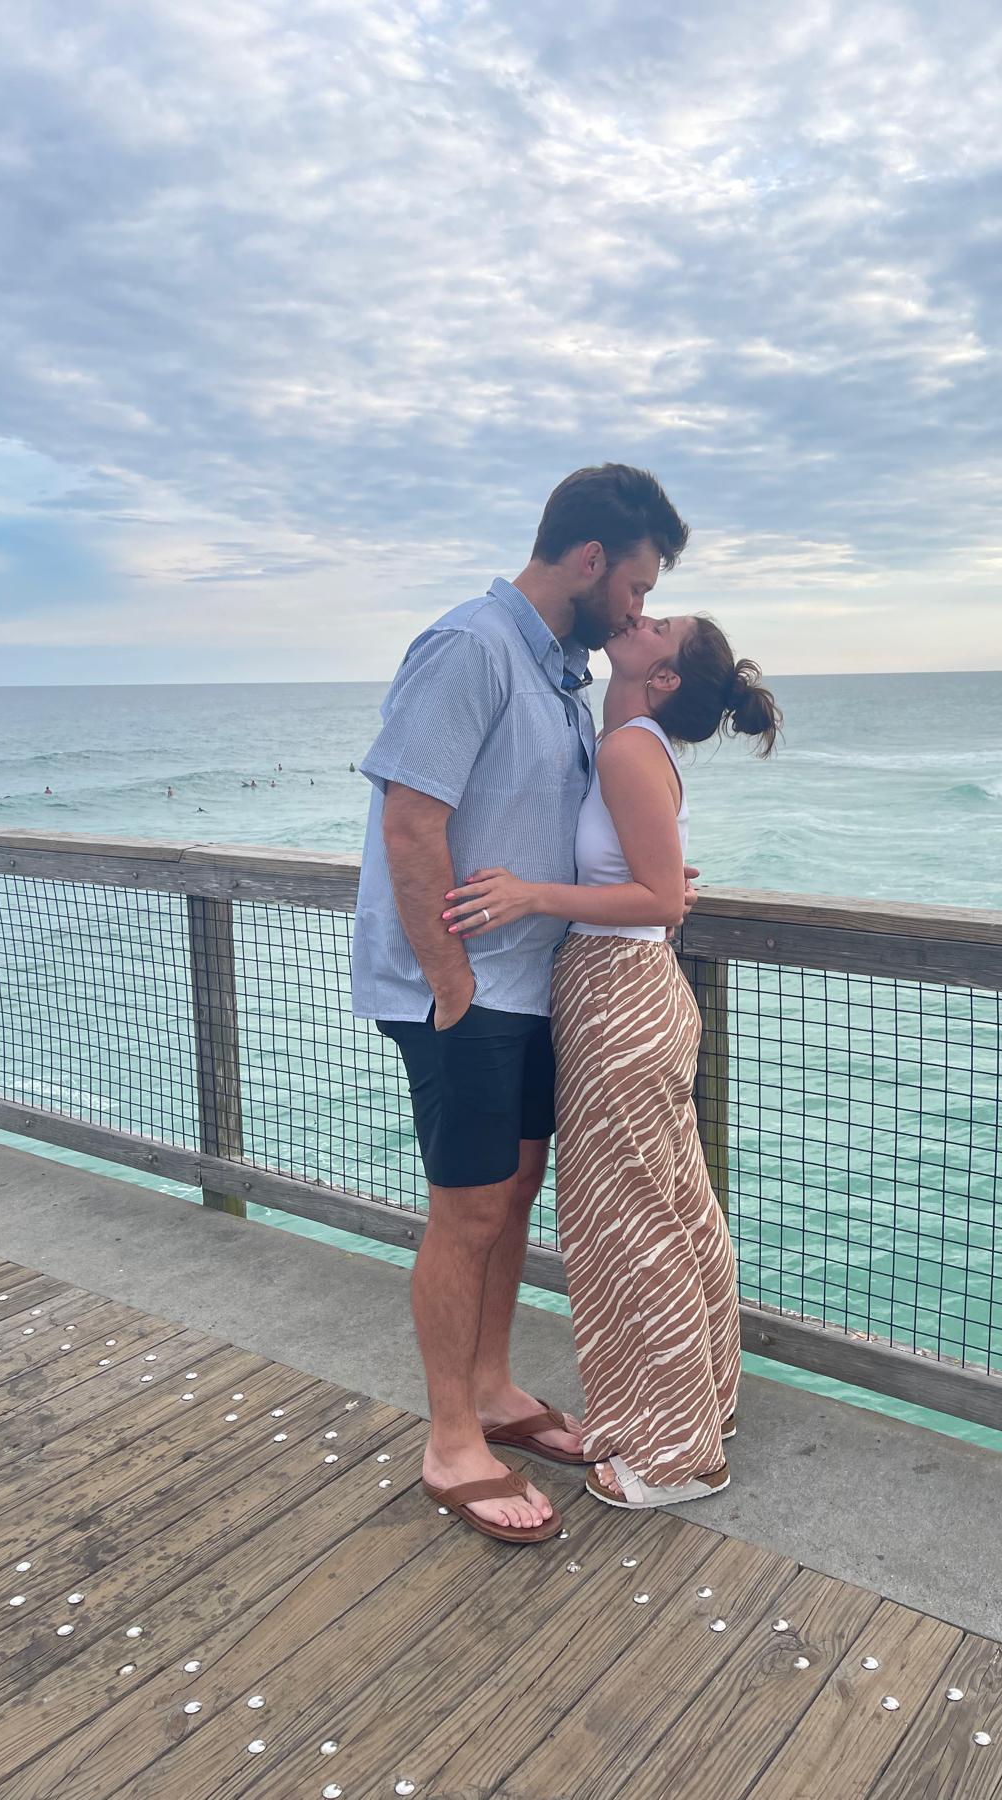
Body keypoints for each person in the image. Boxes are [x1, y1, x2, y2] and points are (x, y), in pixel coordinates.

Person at [353, 464, 692, 1545]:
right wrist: (451, 986)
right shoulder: (472, 647)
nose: (636, 611)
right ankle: (452, 1440)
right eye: (636, 587)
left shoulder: (557, 674)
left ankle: (495, 1390)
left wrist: (655, 877)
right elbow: (412, 823)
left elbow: (552, 826)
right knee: (468, 1210)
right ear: (590, 561)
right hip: (462, 990)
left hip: (531, 985)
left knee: (515, 1193)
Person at [444, 613, 781, 1508]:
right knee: (674, 1206)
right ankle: (704, 1410)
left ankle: (676, 1458)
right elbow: (655, 886)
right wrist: (640, 887)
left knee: (631, 1224)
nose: (639, 616)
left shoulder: (630, 749)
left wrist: (530, 896)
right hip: (633, 990)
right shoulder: (629, 742)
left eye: (659, 625)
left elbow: (661, 898)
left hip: (618, 997)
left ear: (662, 679)